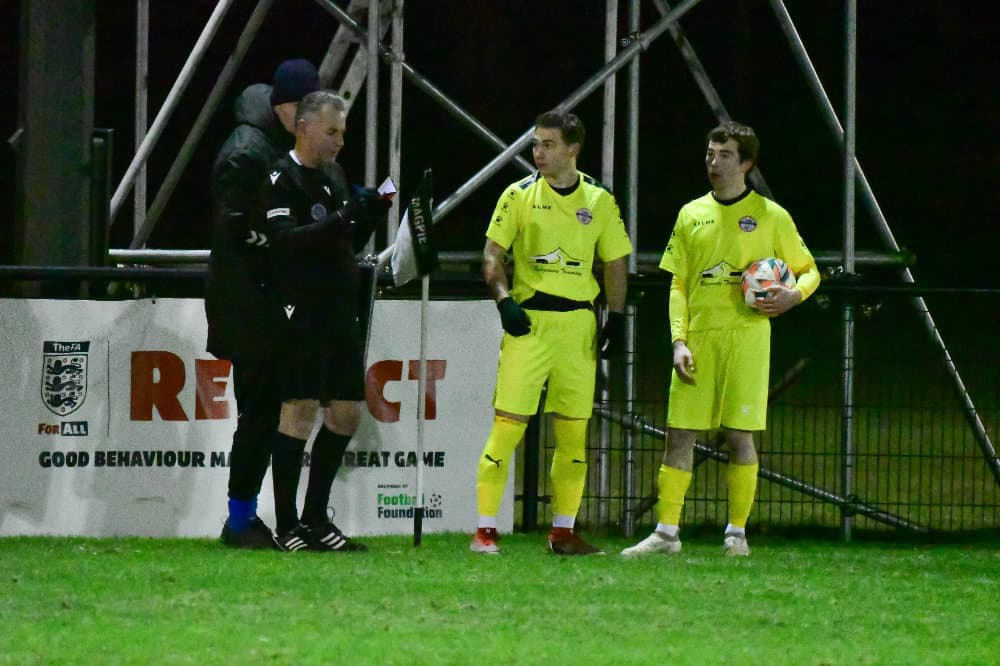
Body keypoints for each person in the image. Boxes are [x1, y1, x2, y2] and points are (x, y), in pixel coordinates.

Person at [622, 121, 820, 558]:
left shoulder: (771, 216)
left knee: (739, 436)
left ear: (746, 163)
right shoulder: (691, 214)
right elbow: (678, 284)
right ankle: (666, 534)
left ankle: (736, 535)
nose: (714, 162)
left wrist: (793, 295)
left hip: (747, 341)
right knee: (679, 435)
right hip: (698, 342)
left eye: (725, 155)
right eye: (710, 154)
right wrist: (678, 341)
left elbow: (810, 271)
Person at [470, 110, 633, 556]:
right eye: (536, 144)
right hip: (530, 326)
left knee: (573, 435)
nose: (538, 153)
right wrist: (504, 301)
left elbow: (616, 262)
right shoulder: (518, 195)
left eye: (548, 144)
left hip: (578, 327)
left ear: (572, 149)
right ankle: (484, 531)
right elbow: (492, 255)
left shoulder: (599, 201)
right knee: (508, 428)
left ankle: (563, 532)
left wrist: (616, 318)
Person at [251, 90, 387, 552]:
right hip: (300, 312)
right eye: (332, 132)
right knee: (299, 410)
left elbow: (342, 240)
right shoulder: (279, 178)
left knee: (346, 414)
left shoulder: (334, 176)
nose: (339, 141)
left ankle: (316, 520)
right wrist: (343, 215)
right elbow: (286, 242)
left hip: (339, 312)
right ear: (303, 127)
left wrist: (367, 214)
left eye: (343, 133)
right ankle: (287, 525)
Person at [208, 59, 320, 549]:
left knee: (264, 408)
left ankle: (245, 518)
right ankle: (240, 521)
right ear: (284, 107)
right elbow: (236, 226)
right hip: (249, 303)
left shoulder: (264, 143)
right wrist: (283, 242)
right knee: (258, 411)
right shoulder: (248, 150)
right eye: (304, 109)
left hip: (259, 299)